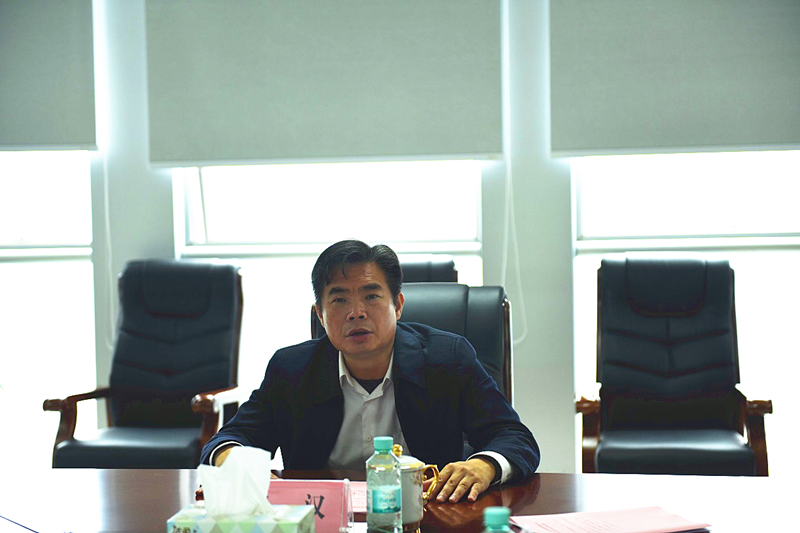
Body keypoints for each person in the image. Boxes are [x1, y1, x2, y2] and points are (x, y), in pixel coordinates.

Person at [201, 240, 540, 503]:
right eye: (339, 300)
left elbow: (515, 436)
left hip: (429, 516)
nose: (356, 313)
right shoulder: (291, 370)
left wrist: (483, 465)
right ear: (320, 315)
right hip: (325, 520)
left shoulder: (447, 359)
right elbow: (229, 440)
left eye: (371, 296)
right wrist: (242, 468)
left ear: (398, 305)